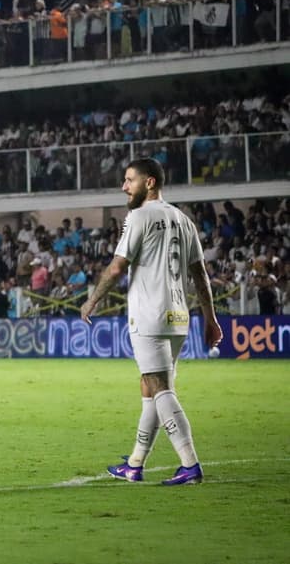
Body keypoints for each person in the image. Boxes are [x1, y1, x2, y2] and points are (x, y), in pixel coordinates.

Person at [80, 158, 223, 486]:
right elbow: (200, 274)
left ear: (150, 183)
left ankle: (189, 464)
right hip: (178, 317)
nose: (124, 187)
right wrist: (210, 318)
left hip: (149, 316)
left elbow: (117, 267)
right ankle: (135, 464)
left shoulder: (139, 216)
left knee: (160, 390)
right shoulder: (183, 220)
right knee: (150, 387)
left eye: (129, 180)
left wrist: (91, 301)